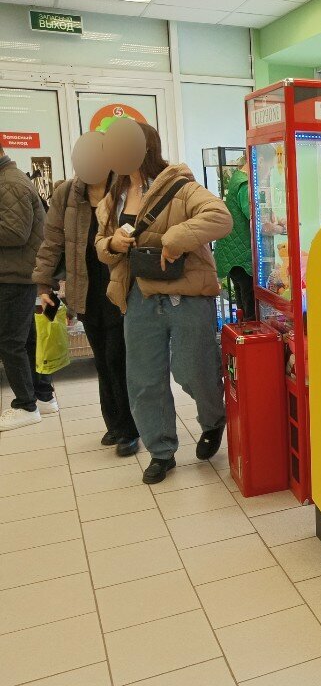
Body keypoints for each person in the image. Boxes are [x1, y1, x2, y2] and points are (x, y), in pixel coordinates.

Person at [95, 123, 232, 484]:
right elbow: (100, 244)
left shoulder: (180, 185)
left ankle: (213, 420)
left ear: (145, 148)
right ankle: (161, 451)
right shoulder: (112, 198)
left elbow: (220, 217)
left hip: (186, 294)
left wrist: (176, 238)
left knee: (193, 370)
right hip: (138, 298)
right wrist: (112, 245)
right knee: (144, 380)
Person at [34, 175, 139, 456]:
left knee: (117, 359)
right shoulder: (68, 193)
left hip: (121, 286)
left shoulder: (125, 187)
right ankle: (114, 424)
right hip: (86, 289)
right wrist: (44, 284)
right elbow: (52, 241)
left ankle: (129, 428)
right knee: (102, 360)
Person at [0, 144, 57, 431]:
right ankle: (43, 396)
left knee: (10, 342)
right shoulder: (10, 179)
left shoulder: (9, 183)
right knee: (27, 339)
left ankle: (26, 404)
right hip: (20, 274)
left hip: (14, 276)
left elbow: (15, 232)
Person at [215, 157, 255, 318]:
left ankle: (244, 329)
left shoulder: (235, 178)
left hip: (232, 254)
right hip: (242, 256)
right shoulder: (244, 184)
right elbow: (253, 217)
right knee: (250, 306)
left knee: (242, 304)